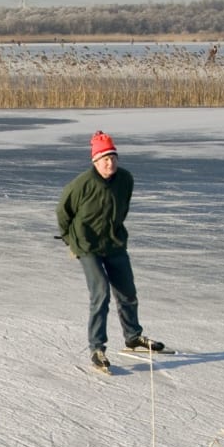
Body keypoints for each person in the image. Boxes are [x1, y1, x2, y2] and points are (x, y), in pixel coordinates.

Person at [56, 131, 164, 373]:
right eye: (104, 158)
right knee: (101, 293)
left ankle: (133, 336)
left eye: (113, 157)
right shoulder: (82, 184)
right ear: (95, 161)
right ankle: (97, 347)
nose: (110, 162)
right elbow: (63, 212)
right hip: (87, 246)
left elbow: (122, 208)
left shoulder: (125, 179)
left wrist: (114, 231)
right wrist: (70, 239)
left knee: (127, 291)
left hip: (114, 243)